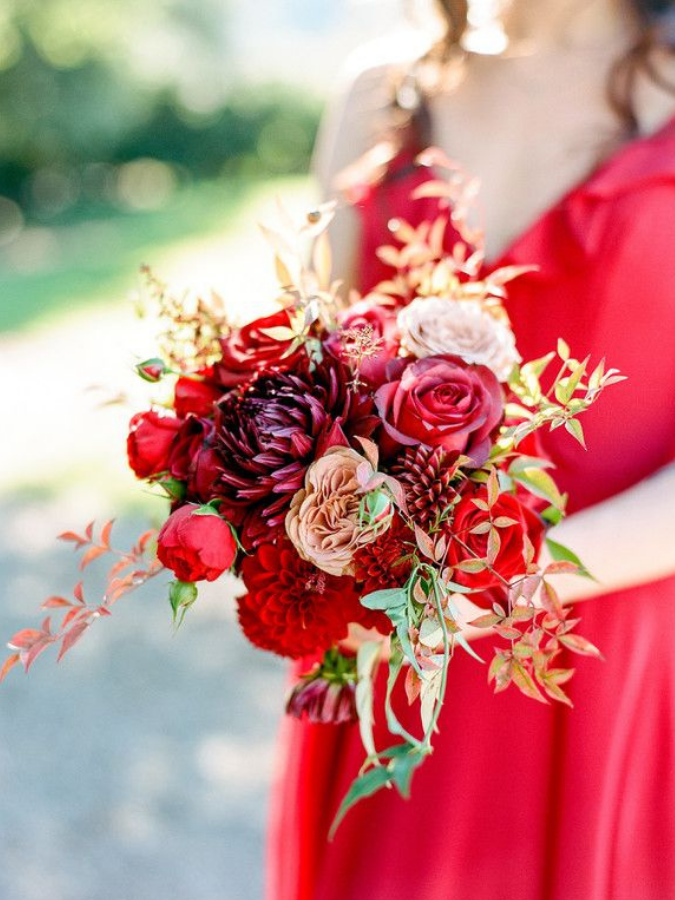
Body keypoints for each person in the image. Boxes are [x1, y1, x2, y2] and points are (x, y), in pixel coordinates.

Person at [267, 2, 675, 898]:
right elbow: (319, 367)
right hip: (391, 641)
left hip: (613, 661)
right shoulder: (381, 90)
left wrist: (499, 586)